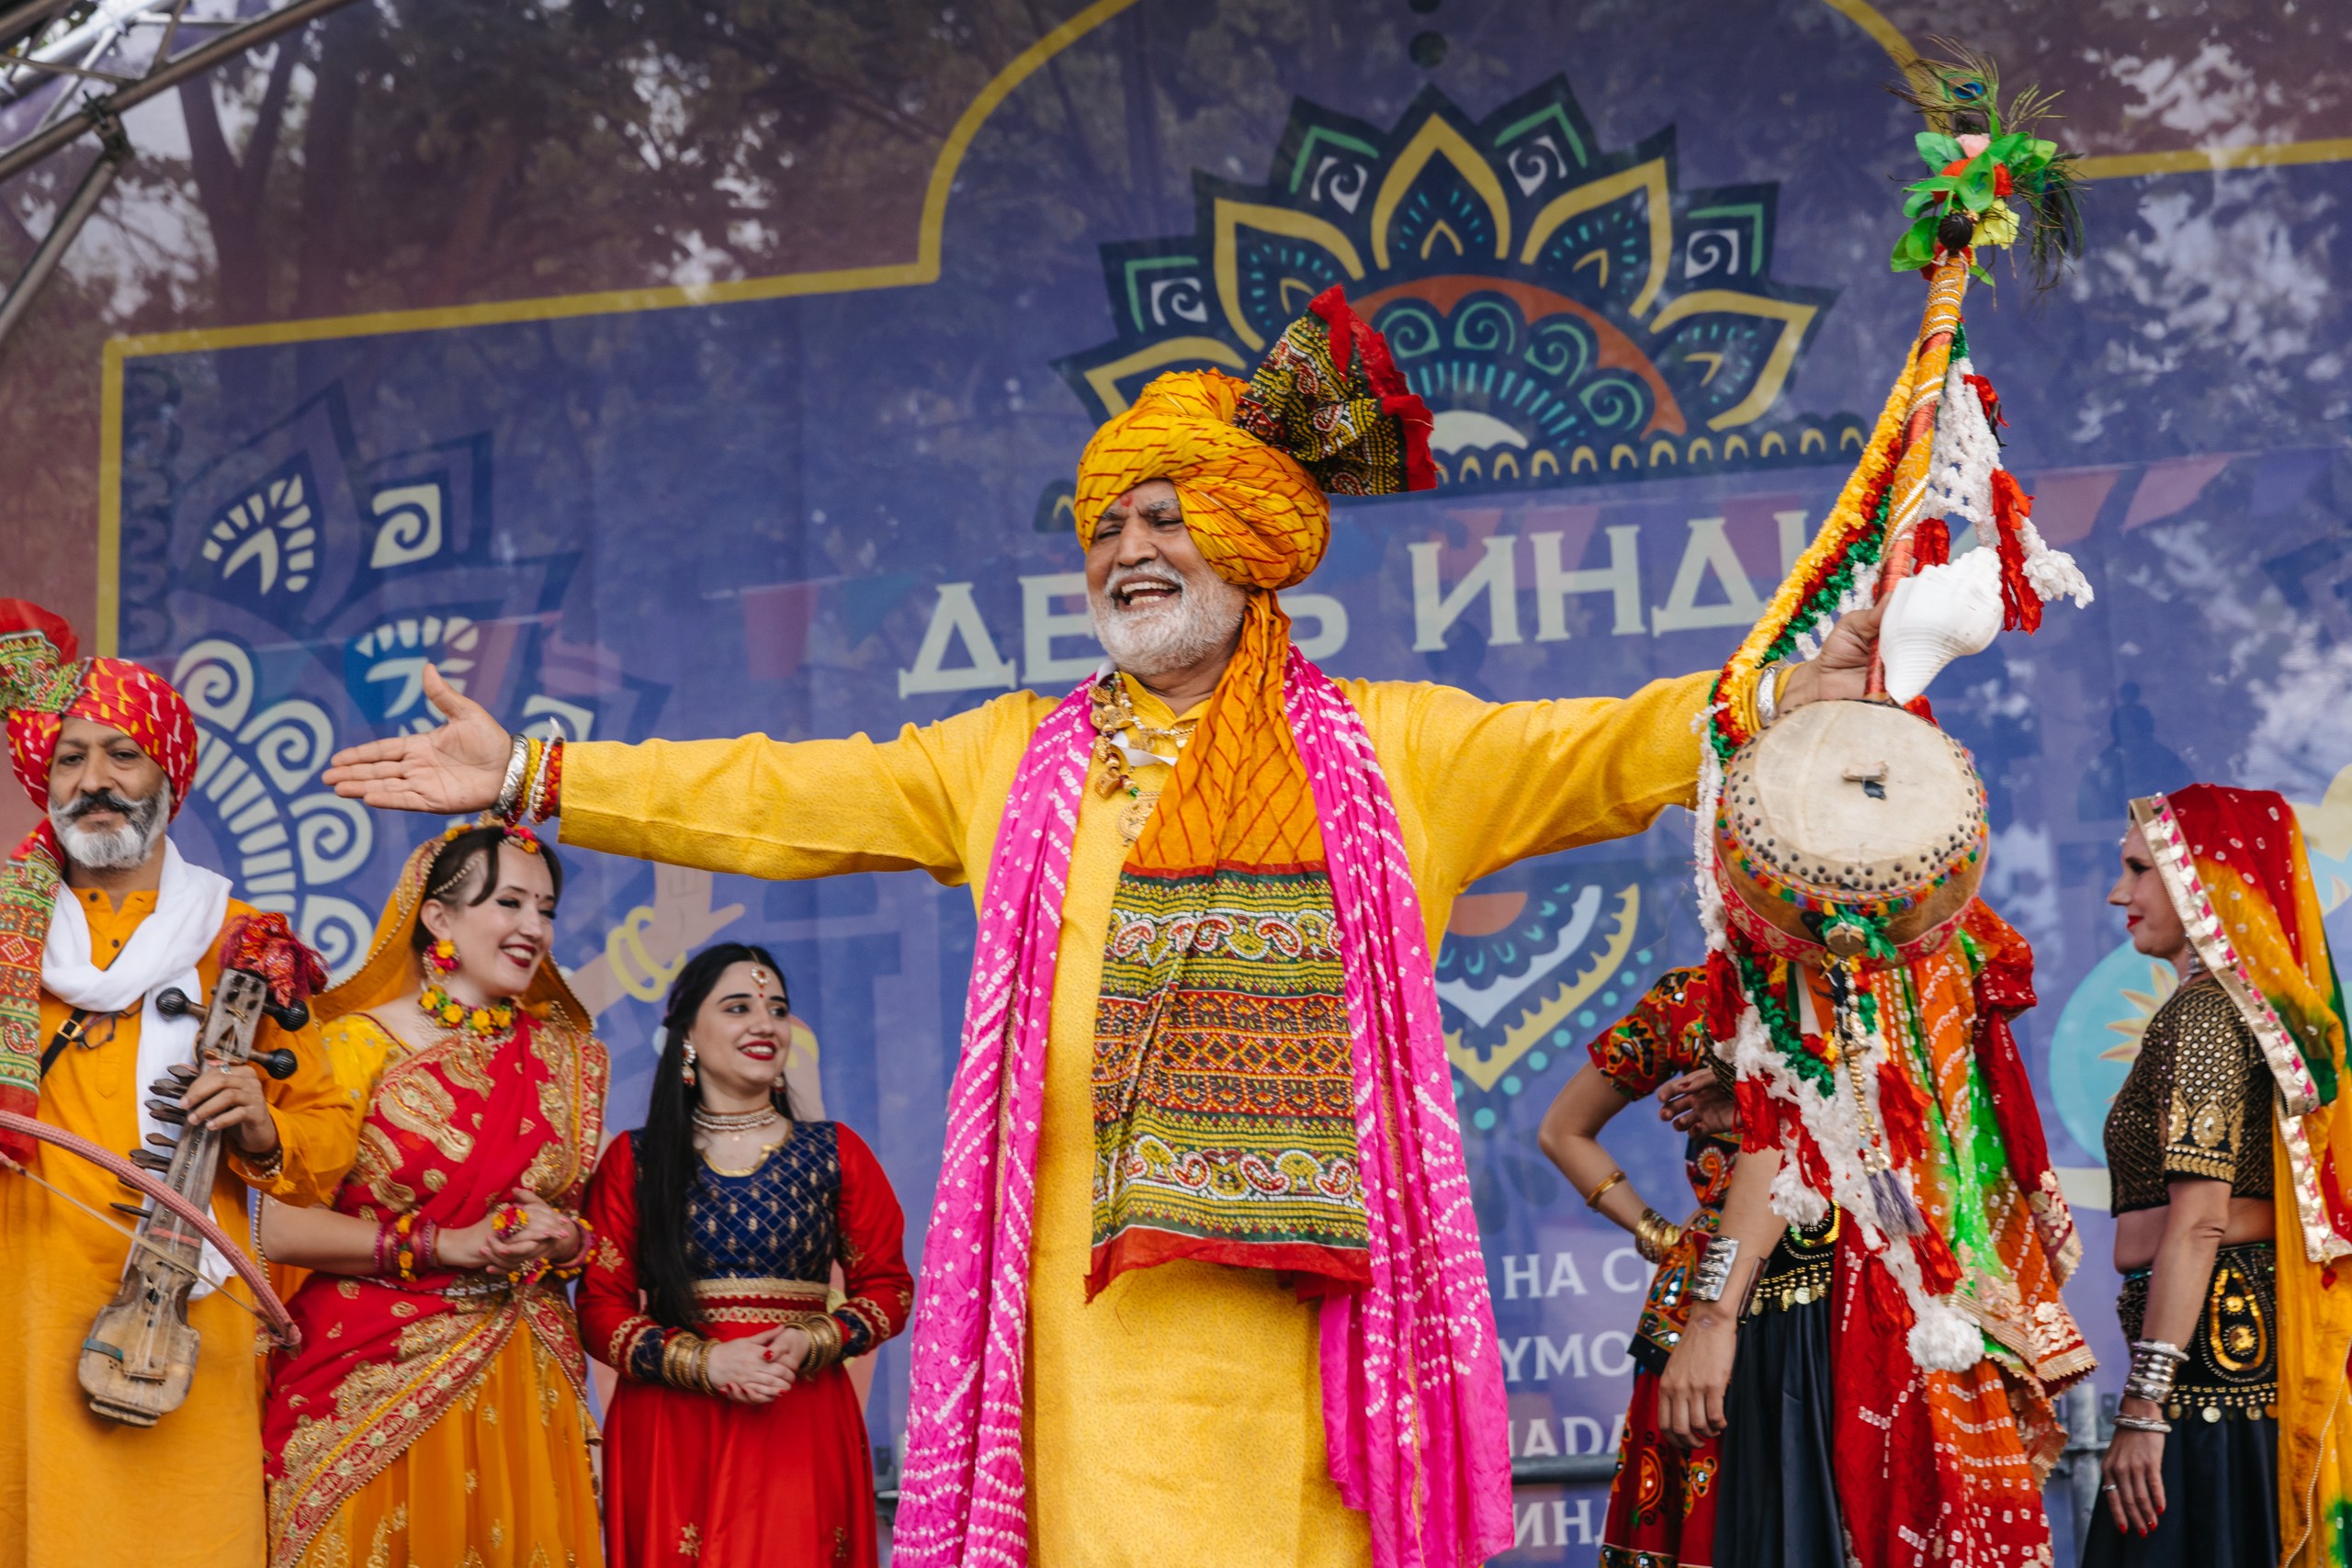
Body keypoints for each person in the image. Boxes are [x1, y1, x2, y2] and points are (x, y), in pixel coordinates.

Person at [323, 288, 1884, 1565]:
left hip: (1313, 1335)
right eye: (1099, 529)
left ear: (1250, 534)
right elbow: (777, 794)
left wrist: (1778, 696)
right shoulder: (1011, 761)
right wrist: (538, 772)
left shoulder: (1402, 751)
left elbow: (1616, 744)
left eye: (1162, 516)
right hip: (1091, 1331)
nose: (1126, 552)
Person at [0, 601, 357, 1568]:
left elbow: (328, 1142)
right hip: (17, 1320)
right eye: (70, 759)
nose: (95, 782)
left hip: (175, 1327)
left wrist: (259, 1128)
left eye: (123, 755)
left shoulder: (246, 943)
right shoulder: (4, 934)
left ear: (169, 773)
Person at [257, 822, 608, 1568]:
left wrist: (564, 1238)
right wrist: (441, 1244)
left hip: (523, 1374)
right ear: (438, 917)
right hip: (367, 1379)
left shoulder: (564, 1056)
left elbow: (591, 1235)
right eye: (509, 902)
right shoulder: (358, 1045)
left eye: (545, 909)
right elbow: (277, 1227)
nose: (533, 928)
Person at [580, 941, 912, 1567]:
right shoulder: (635, 1160)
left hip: (798, 1410)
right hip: (674, 1423)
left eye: (778, 1009)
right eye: (738, 1006)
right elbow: (598, 1309)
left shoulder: (835, 1152)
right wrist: (704, 1363)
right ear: (688, 1035)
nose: (765, 1023)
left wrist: (814, 1339)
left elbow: (890, 1288)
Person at [2088, 786, 2352, 1565]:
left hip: (2207, 1377)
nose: (2118, 893)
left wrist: (2145, 1405)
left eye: (2140, 869)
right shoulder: (2259, 1014)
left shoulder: (2202, 1015)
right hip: (2243, 1360)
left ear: (2201, 876)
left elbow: (2199, 1220)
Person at [1537, 967, 1739, 1568]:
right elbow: (1562, 1130)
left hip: (1845, 1304)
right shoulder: (1693, 999)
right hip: (1702, 1314)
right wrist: (1660, 1235)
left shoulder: (1877, 996)